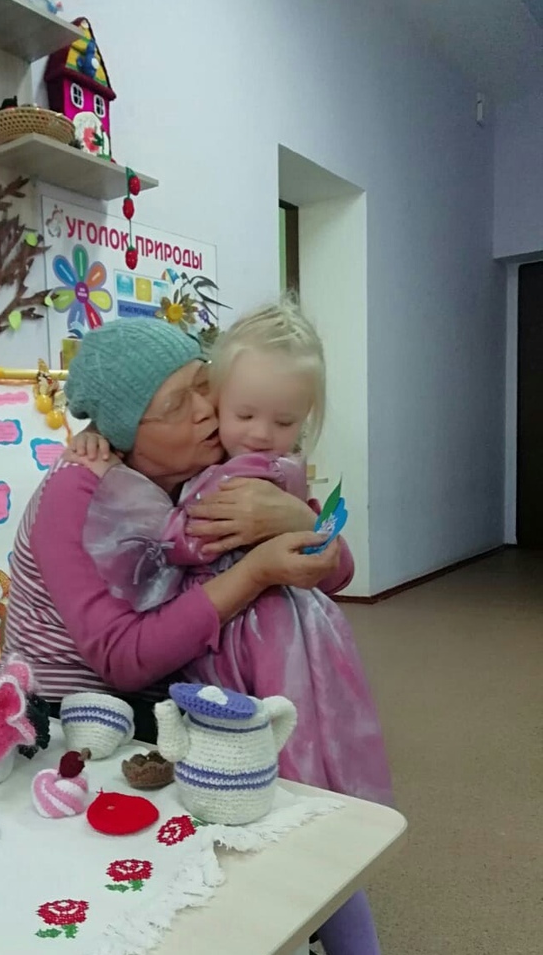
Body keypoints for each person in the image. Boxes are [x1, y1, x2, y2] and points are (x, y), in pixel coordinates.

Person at [5, 319, 442, 955]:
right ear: (123, 431)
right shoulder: (82, 488)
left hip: (185, 680)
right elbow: (118, 658)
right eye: (180, 404)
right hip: (78, 719)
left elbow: (336, 570)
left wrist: (302, 521)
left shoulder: (207, 468)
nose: (210, 412)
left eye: (206, 387)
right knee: (246, 812)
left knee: (278, 809)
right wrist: (259, 568)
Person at [74, 301, 392, 807]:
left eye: (284, 422)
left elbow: (186, 540)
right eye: (244, 415)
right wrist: (102, 431)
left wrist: (304, 523)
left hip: (256, 632)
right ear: (215, 401)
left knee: (265, 732)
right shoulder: (241, 459)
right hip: (272, 627)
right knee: (296, 724)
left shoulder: (249, 472)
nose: (261, 434)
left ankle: (290, 807)